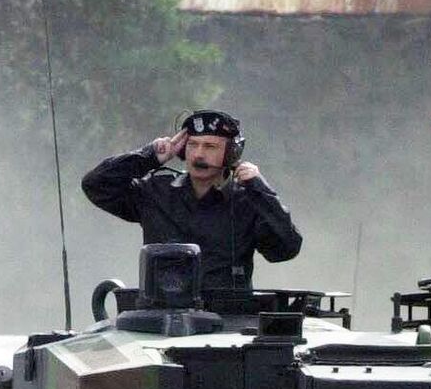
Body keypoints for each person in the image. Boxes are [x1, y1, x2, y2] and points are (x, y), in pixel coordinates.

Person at [82, 110, 302, 291]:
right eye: (193, 145)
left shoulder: (248, 202)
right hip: (161, 318)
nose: (198, 154)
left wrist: (259, 188)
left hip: (228, 320)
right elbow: (96, 185)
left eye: (210, 147)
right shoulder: (156, 192)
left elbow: (286, 249)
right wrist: (149, 157)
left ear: (231, 154)